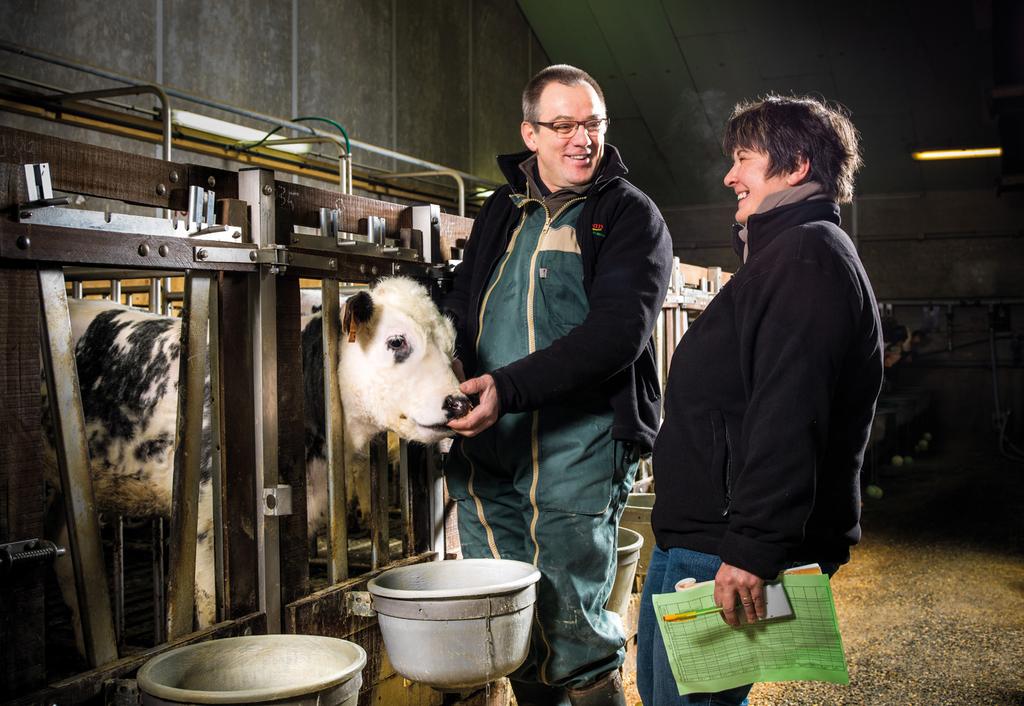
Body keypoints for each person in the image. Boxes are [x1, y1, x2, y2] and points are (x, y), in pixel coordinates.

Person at [637, 95, 883, 706]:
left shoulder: (808, 257)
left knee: (690, 703)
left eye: (744, 158)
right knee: (680, 695)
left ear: (796, 165)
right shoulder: (785, 254)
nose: (730, 175)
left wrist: (753, 549)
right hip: (710, 533)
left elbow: (790, 414)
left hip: (727, 545)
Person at [443, 64, 673, 706]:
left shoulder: (628, 215)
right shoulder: (501, 208)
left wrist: (505, 390)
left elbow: (616, 335)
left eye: (593, 124)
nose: (582, 139)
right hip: (489, 444)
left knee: (573, 624)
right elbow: (465, 298)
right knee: (511, 618)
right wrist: (451, 370)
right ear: (530, 133)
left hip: (579, 445)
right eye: (564, 124)